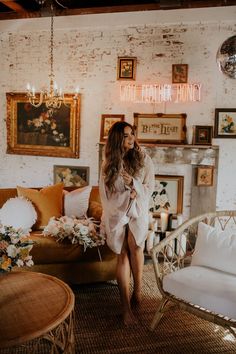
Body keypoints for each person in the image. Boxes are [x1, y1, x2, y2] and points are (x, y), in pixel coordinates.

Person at [99, 121, 155, 326]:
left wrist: (135, 187)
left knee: (136, 246)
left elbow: (150, 187)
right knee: (121, 252)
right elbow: (105, 195)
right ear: (117, 139)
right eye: (126, 135)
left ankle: (138, 290)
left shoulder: (144, 159)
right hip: (117, 212)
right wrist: (124, 199)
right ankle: (126, 309)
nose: (131, 138)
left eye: (132, 134)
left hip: (138, 209)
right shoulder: (109, 164)